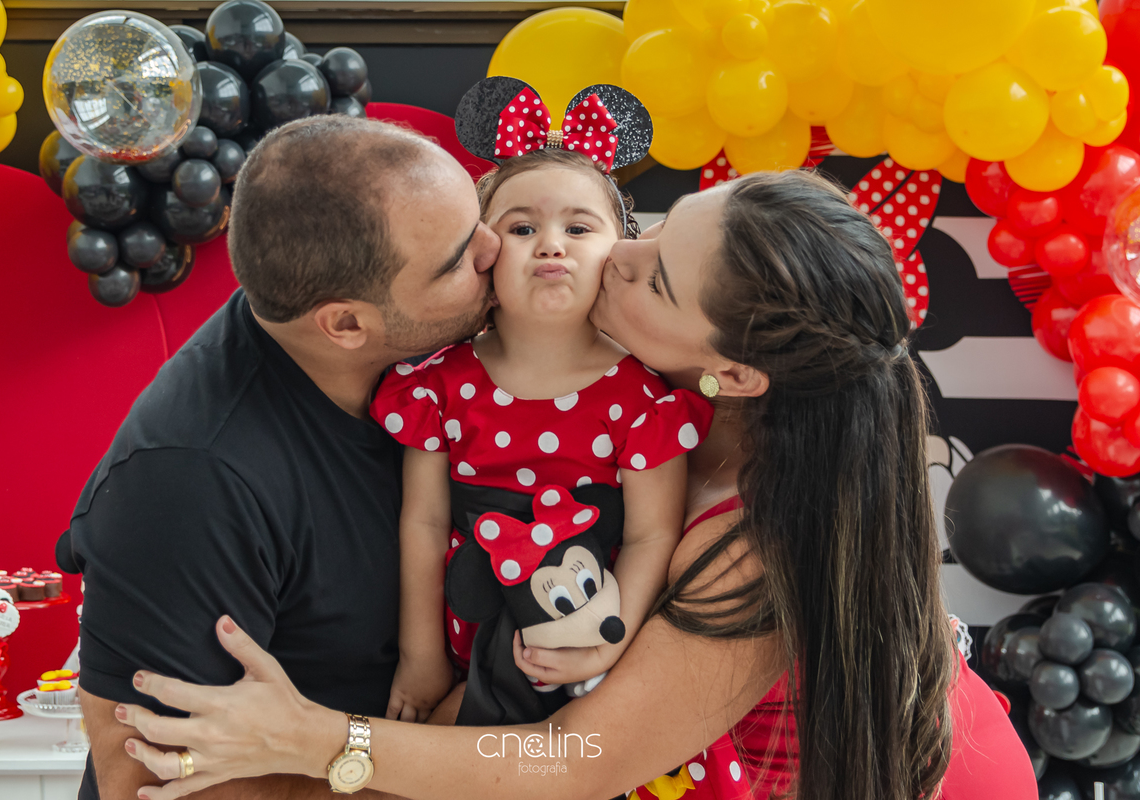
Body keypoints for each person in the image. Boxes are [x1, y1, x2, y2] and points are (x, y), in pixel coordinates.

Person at [112, 170, 1038, 800]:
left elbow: (579, 760)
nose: (618, 258)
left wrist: (313, 740)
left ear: (739, 370)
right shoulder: (660, 400)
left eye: (660, 282)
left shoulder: (755, 542)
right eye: (656, 226)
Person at [62, 114, 500, 800]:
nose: (495, 248)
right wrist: (457, 758)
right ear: (347, 323)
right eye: (456, 260)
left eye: (479, 214)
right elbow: (144, 784)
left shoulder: (440, 357)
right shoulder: (193, 476)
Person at [375, 145, 713, 725]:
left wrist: (606, 638)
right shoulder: (439, 385)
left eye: (578, 227)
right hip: (466, 620)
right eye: (523, 227)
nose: (551, 244)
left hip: (579, 638)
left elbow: (651, 536)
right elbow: (425, 522)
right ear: (483, 254)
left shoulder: (641, 402)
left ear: (617, 252)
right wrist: (420, 656)